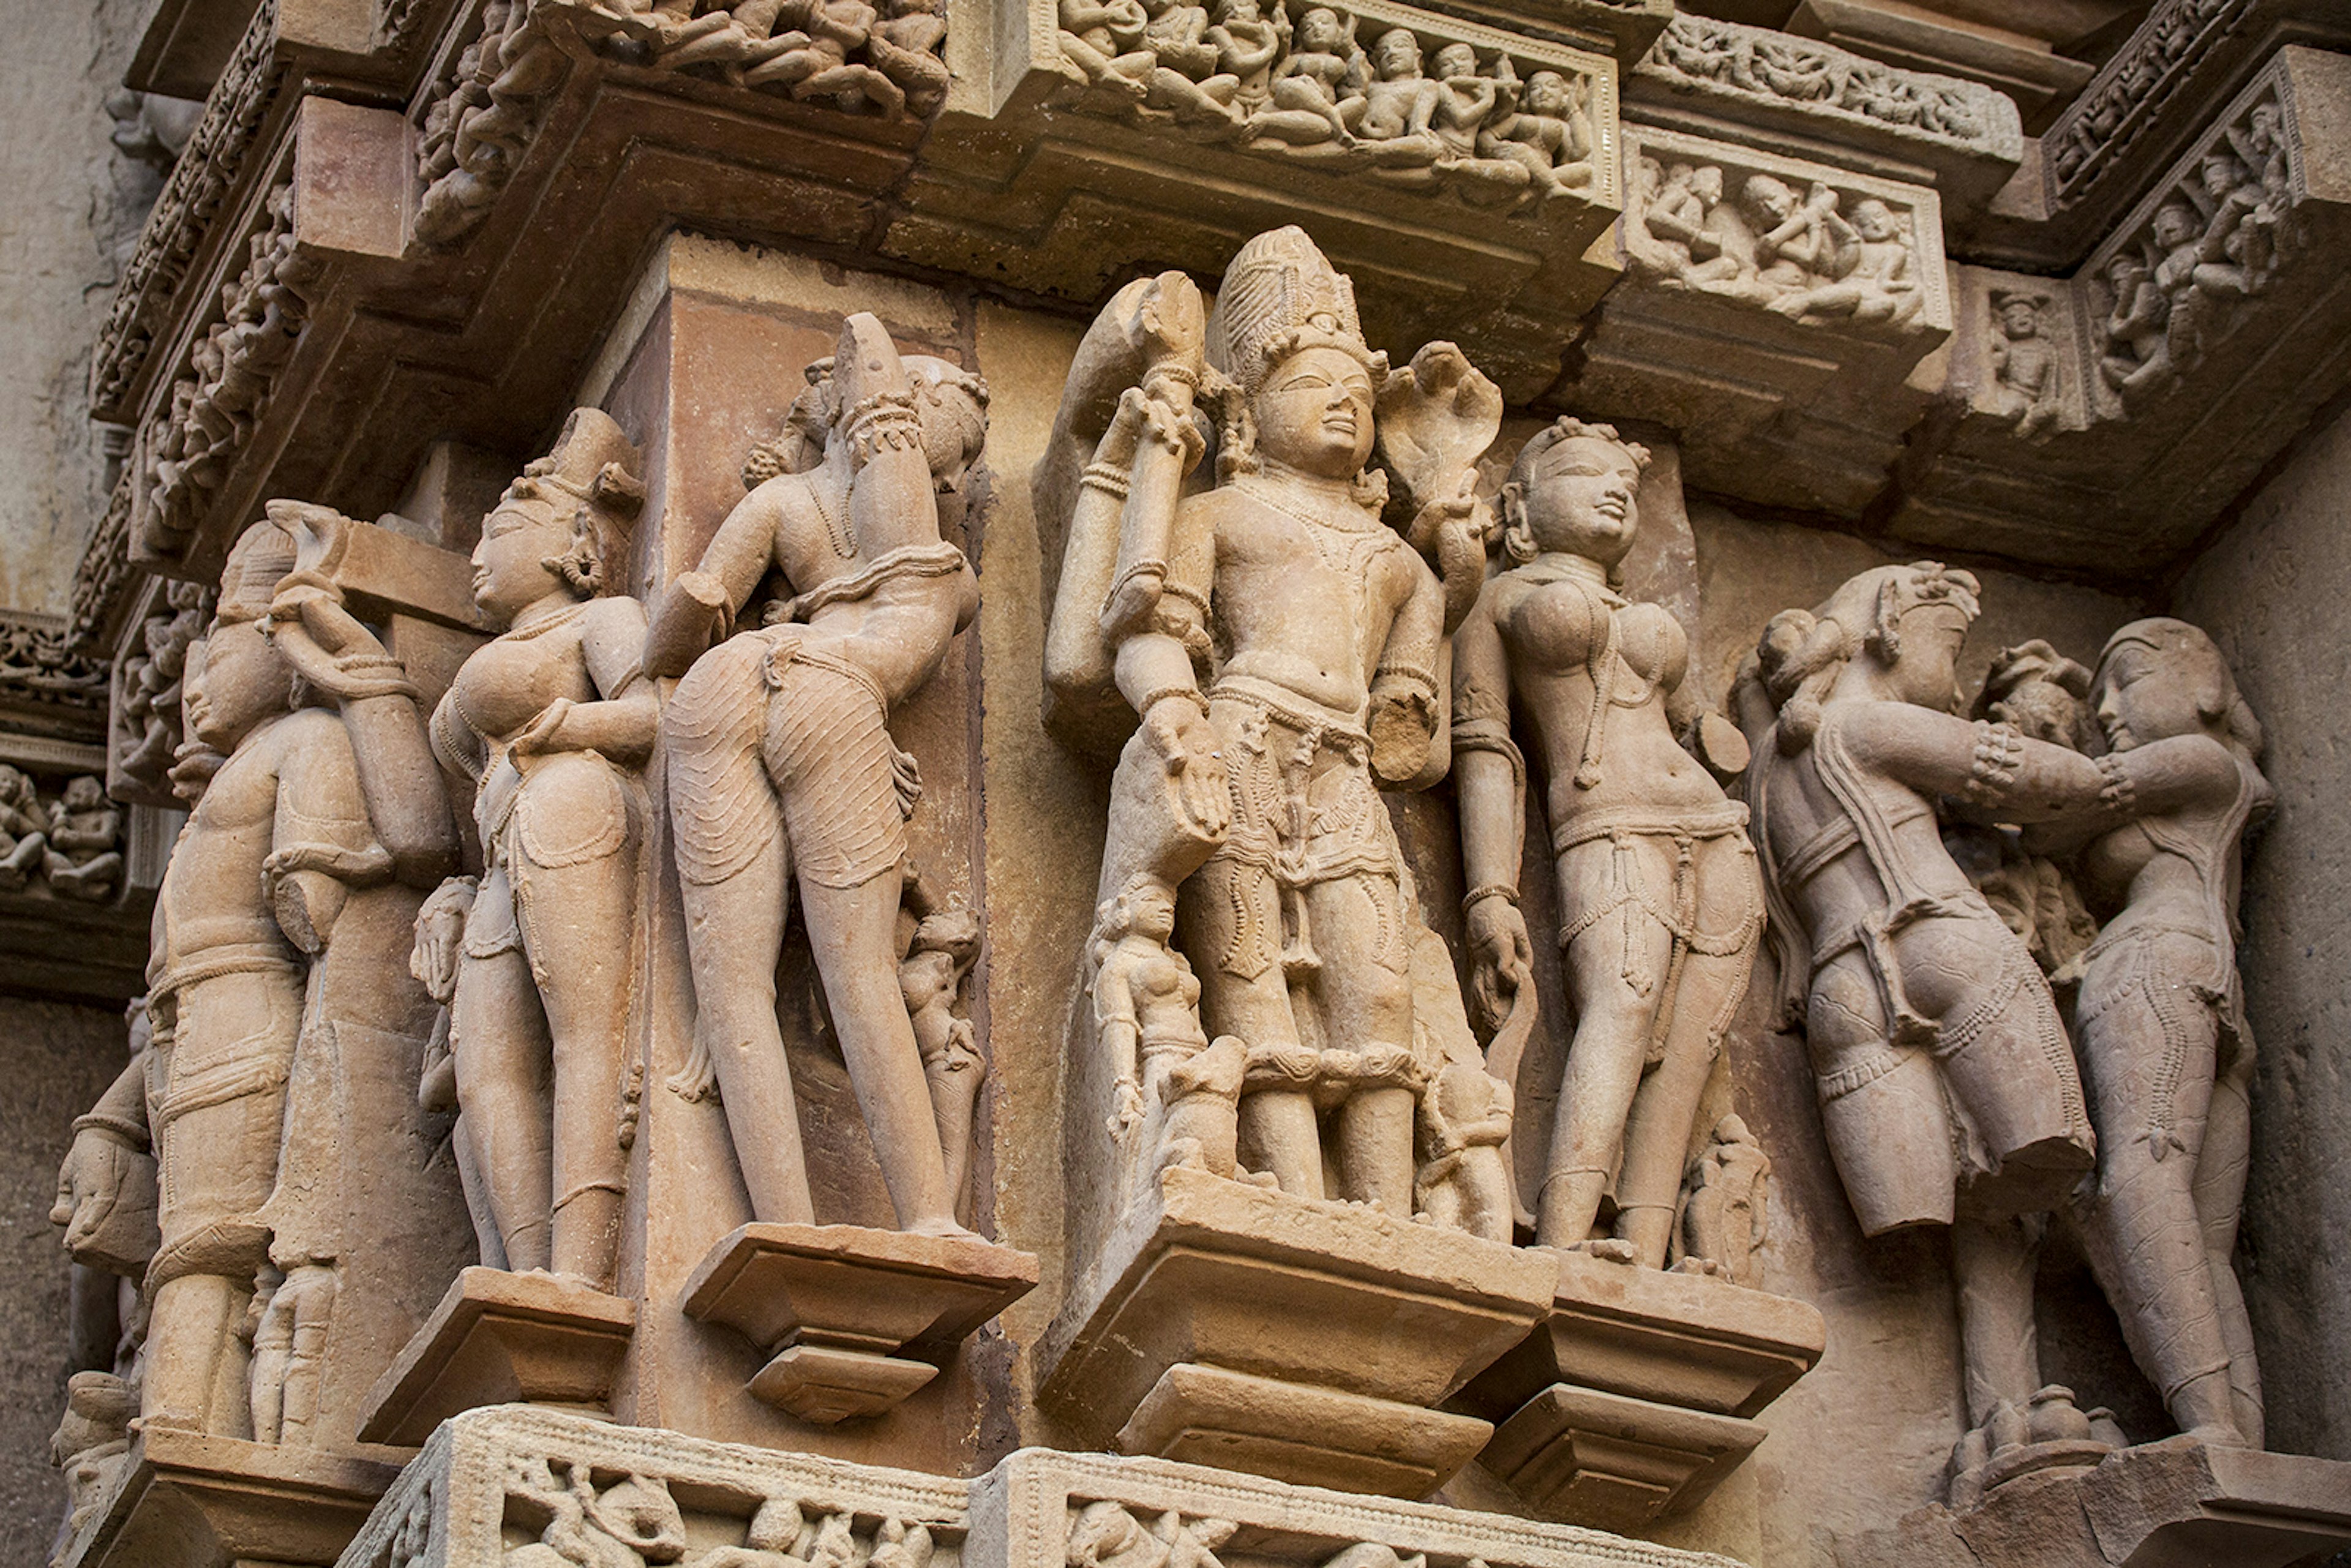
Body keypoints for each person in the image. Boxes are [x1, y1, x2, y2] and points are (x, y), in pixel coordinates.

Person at [645, 315, 989, 1237]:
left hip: (724, 685)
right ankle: (927, 1218)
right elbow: (890, 647)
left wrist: (697, 610)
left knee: (735, 990)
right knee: (861, 974)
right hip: (830, 699)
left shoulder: (785, 507)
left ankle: (785, 1231)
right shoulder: (947, 578)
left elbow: (680, 633)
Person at [1454, 418, 1763, 1260]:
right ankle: (1562, 1238)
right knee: (1621, 1010)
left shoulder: (1649, 615)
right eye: (1585, 473)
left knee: (1690, 1049)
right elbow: (1487, 751)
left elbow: (1704, 727)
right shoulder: (1498, 601)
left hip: (1713, 832)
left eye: (1623, 480)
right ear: (1517, 510)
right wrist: (1491, 893)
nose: (1614, 488)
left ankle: (1646, 1243)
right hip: (1606, 826)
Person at [424, 408, 659, 1288]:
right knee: (485, 1070)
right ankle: (519, 1270)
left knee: (584, 1034)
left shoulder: (600, 621)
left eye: (505, 530)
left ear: (572, 542)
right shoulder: (502, 648)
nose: (480, 553)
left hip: (573, 812)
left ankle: (580, 1268)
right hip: (499, 857)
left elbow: (650, 715)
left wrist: (561, 726)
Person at [2044, 619, 2273, 1448]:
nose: (2105, 705)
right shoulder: (2222, 782)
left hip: (2154, 966)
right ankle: (2240, 1440)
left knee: (2136, 1186)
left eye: (2129, 678)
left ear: (2205, 684)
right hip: (2212, 985)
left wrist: (1999, 737)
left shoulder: (2205, 763)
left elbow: (2072, 793)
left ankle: (2208, 1428)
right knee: (2202, 1241)